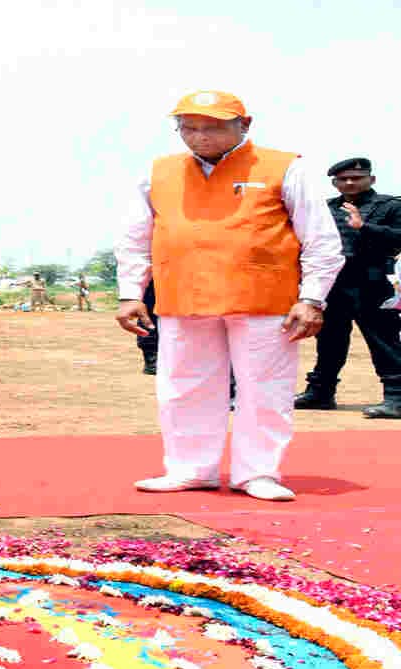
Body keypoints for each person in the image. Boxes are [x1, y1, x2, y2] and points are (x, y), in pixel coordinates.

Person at [115, 90, 343, 502]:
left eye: (213, 127)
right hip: (183, 297)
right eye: (189, 128)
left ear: (245, 125)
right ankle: (189, 469)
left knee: (264, 387)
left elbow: (322, 240)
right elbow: (134, 238)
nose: (199, 137)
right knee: (184, 386)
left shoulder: (285, 167)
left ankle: (258, 473)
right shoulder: (158, 172)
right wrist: (130, 292)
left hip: (265, 300)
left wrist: (312, 299)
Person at [295, 158, 401, 418]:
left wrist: (365, 227)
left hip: (373, 285)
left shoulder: (390, 206)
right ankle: (320, 393)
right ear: (335, 183)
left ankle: (397, 398)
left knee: (384, 342)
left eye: (357, 177)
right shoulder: (325, 208)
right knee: (329, 342)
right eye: (343, 179)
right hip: (335, 286)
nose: (350, 182)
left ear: (371, 179)